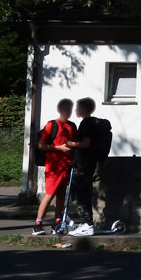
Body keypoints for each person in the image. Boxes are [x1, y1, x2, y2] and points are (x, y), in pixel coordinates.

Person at [31, 99, 76, 236]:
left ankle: (57, 223)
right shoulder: (52, 125)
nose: (68, 112)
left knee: (62, 196)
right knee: (49, 195)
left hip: (66, 166)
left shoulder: (72, 126)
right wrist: (58, 148)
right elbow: (41, 145)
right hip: (54, 166)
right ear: (60, 110)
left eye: (70, 109)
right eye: (65, 109)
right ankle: (37, 224)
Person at [63, 97, 100, 236]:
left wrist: (70, 143)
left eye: (78, 107)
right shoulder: (91, 123)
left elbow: (86, 143)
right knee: (81, 193)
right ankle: (85, 223)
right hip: (86, 164)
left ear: (84, 109)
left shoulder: (86, 123)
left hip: (83, 165)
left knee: (79, 194)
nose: (75, 110)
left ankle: (87, 224)